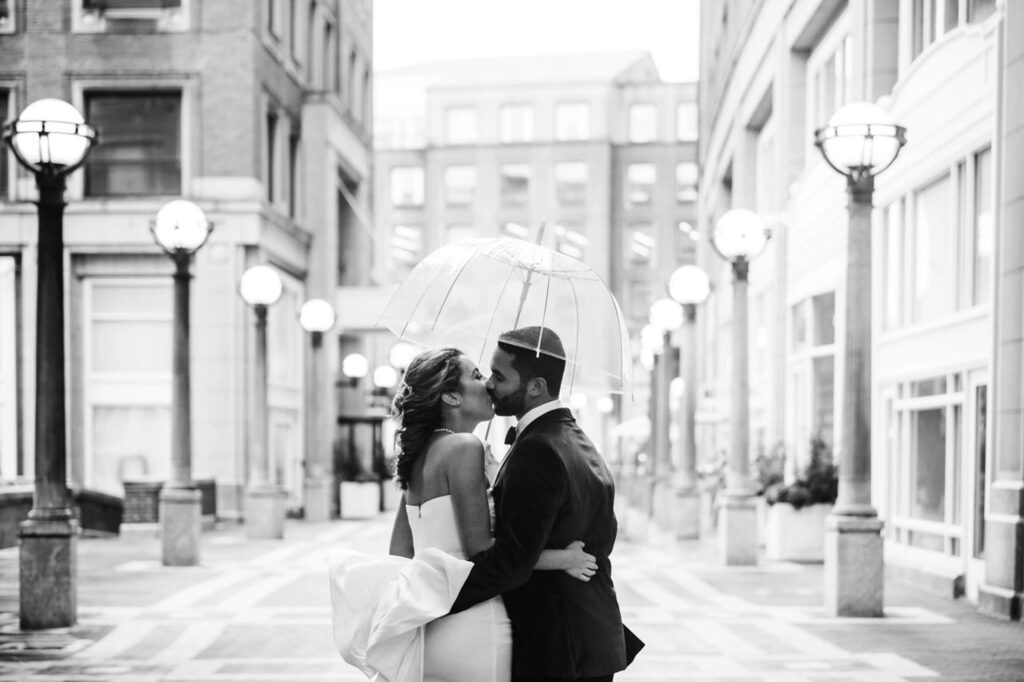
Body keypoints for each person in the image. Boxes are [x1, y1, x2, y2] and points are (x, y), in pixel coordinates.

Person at [329, 346, 598, 682]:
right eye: (476, 375)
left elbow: (400, 555)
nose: (487, 384)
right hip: (476, 626)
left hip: (429, 631)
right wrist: (563, 559)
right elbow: (481, 551)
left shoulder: (417, 459)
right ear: (452, 397)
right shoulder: (464, 448)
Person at [450, 326, 641, 682]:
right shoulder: (578, 440)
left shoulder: (537, 449)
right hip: (589, 639)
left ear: (535, 386)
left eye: (499, 376)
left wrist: (439, 599)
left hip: (558, 647)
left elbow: (511, 561)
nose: (490, 384)